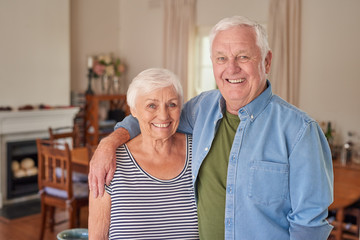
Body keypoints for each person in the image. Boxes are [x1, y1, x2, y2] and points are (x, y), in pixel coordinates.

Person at [89, 16, 334, 239]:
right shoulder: (201, 109)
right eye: (221, 58)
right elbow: (154, 118)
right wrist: (108, 143)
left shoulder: (300, 131)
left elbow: (309, 226)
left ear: (267, 61)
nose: (232, 68)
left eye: (243, 56)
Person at [88, 68, 199, 239]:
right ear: (133, 110)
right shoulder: (110, 163)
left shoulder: (200, 152)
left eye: (172, 104)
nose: (163, 115)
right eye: (151, 105)